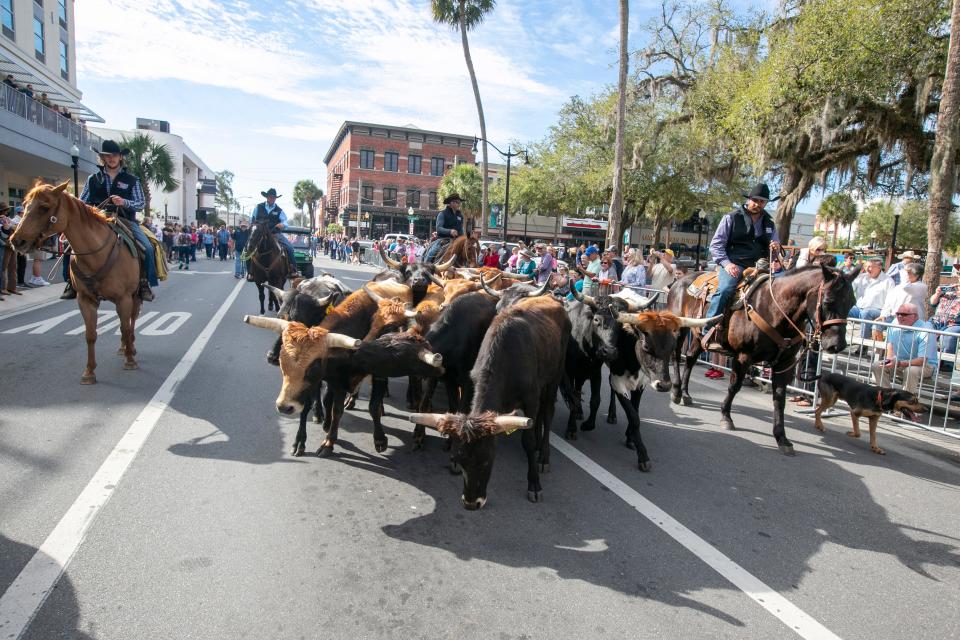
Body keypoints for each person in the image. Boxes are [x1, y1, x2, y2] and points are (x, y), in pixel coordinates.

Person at [64, 139, 157, 300]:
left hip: (124, 219)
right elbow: (81, 202)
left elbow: (141, 203)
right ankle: (71, 283)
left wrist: (124, 202)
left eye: (114, 155)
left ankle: (143, 283)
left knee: (148, 248)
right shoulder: (93, 179)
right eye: (107, 156)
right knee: (68, 247)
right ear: (103, 158)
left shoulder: (131, 180)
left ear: (120, 157)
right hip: (96, 219)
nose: (111, 158)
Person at [701, 183, 783, 351]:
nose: (758, 204)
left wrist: (775, 249)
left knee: (781, 290)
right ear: (749, 200)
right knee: (724, 289)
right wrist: (727, 264)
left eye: (762, 201)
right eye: (755, 200)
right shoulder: (731, 217)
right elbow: (716, 246)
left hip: (759, 266)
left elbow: (774, 254)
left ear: (766, 203)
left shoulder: (769, 223)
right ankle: (707, 330)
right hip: (734, 264)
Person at [871, 303, 936, 397]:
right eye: (898, 314)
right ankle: (888, 397)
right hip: (900, 362)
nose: (900, 317)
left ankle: (905, 402)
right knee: (877, 365)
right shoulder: (894, 323)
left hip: (925, 366)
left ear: (915, 316)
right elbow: (890, 345)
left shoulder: (925, 330)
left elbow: (922, 360)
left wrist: (899, 363)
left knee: (911, 370)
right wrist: (890, 360)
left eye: (904, 314)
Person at [250, 187, 298, 277]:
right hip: (259, 234)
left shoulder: (279, 210)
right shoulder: (258, 207)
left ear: (275, 198)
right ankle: (250, 272)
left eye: (274, 197)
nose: (272, 199)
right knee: (249, 247)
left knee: (290, 247)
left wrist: (282, 224)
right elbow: (252, 219)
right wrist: (254, 225)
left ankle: (293, 270)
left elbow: (285, 222)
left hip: (275, 234)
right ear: (267, 197)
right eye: (270, 197)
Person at [849, 257, 894, 340]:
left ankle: (863, 344)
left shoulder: (888, 281)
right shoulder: (861, 277)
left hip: (877, 311)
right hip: (858, 309)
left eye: (871, 267)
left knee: (866, 313)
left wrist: (884, 314)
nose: (868, 269)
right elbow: (850, 288)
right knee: (842, 310)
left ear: (879, 267)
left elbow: (890, 301)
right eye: (866, 266)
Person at [424, 193, 464, 263]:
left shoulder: (460, 216)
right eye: (457, 202)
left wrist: (463, 238)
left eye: (459, 202)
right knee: (432, 252)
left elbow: (460, 230)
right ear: (451, 203)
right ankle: (425, 266)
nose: (459, 204)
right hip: (443, 240)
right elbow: (438, 228)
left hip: (456, 241)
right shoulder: (442, 214)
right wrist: (450, 231)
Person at [931, 284, 960, 371]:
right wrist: (937, 294)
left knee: (948, 336)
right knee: (924, 332)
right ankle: (926, 360)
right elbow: (932, 303)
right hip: (936, 321)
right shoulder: (949, 288)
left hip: (955, 323)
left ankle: (947, 365)